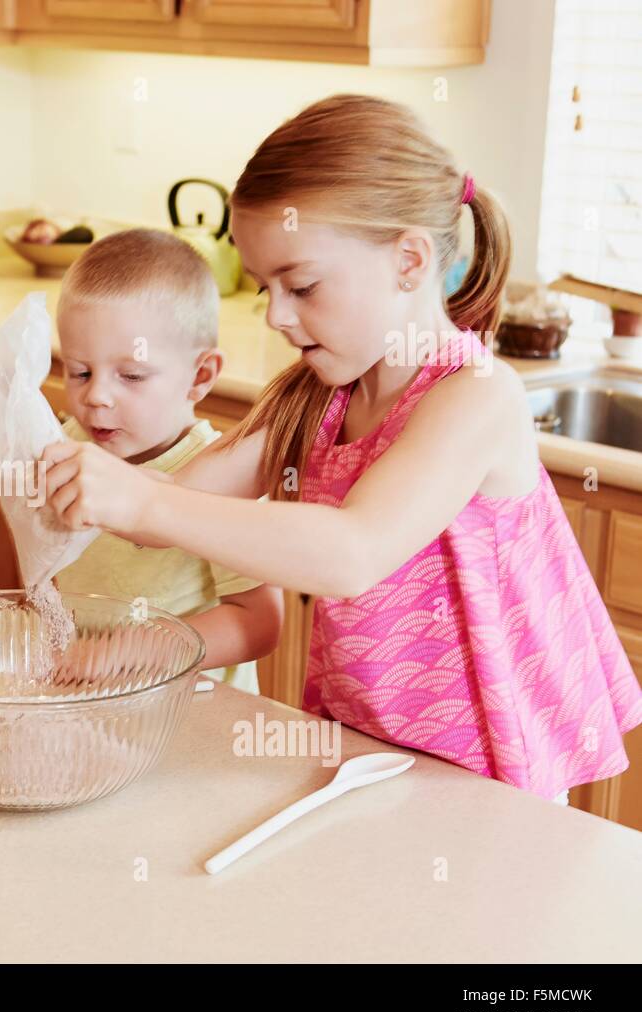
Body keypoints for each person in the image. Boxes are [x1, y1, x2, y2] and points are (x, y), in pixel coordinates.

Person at [41, 94, 642, 802]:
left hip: (490, 765)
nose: (275, 314)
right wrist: (38, 452)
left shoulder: (476, 395)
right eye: (267, 287)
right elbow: (185, 498)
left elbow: (351, 552)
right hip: (368, 744)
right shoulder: (315, 392)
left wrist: (143, 502)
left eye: (300, 285)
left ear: (410, 260)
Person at [0, 229, 283, 690]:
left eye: (132, 376)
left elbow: (258, 622)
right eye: (80, 371)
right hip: (91, 690)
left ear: (200, 376)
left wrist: (127, 652)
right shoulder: (73, 441)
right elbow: (30, 466)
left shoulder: (225, 477)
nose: (96, 396)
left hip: (188, 710)